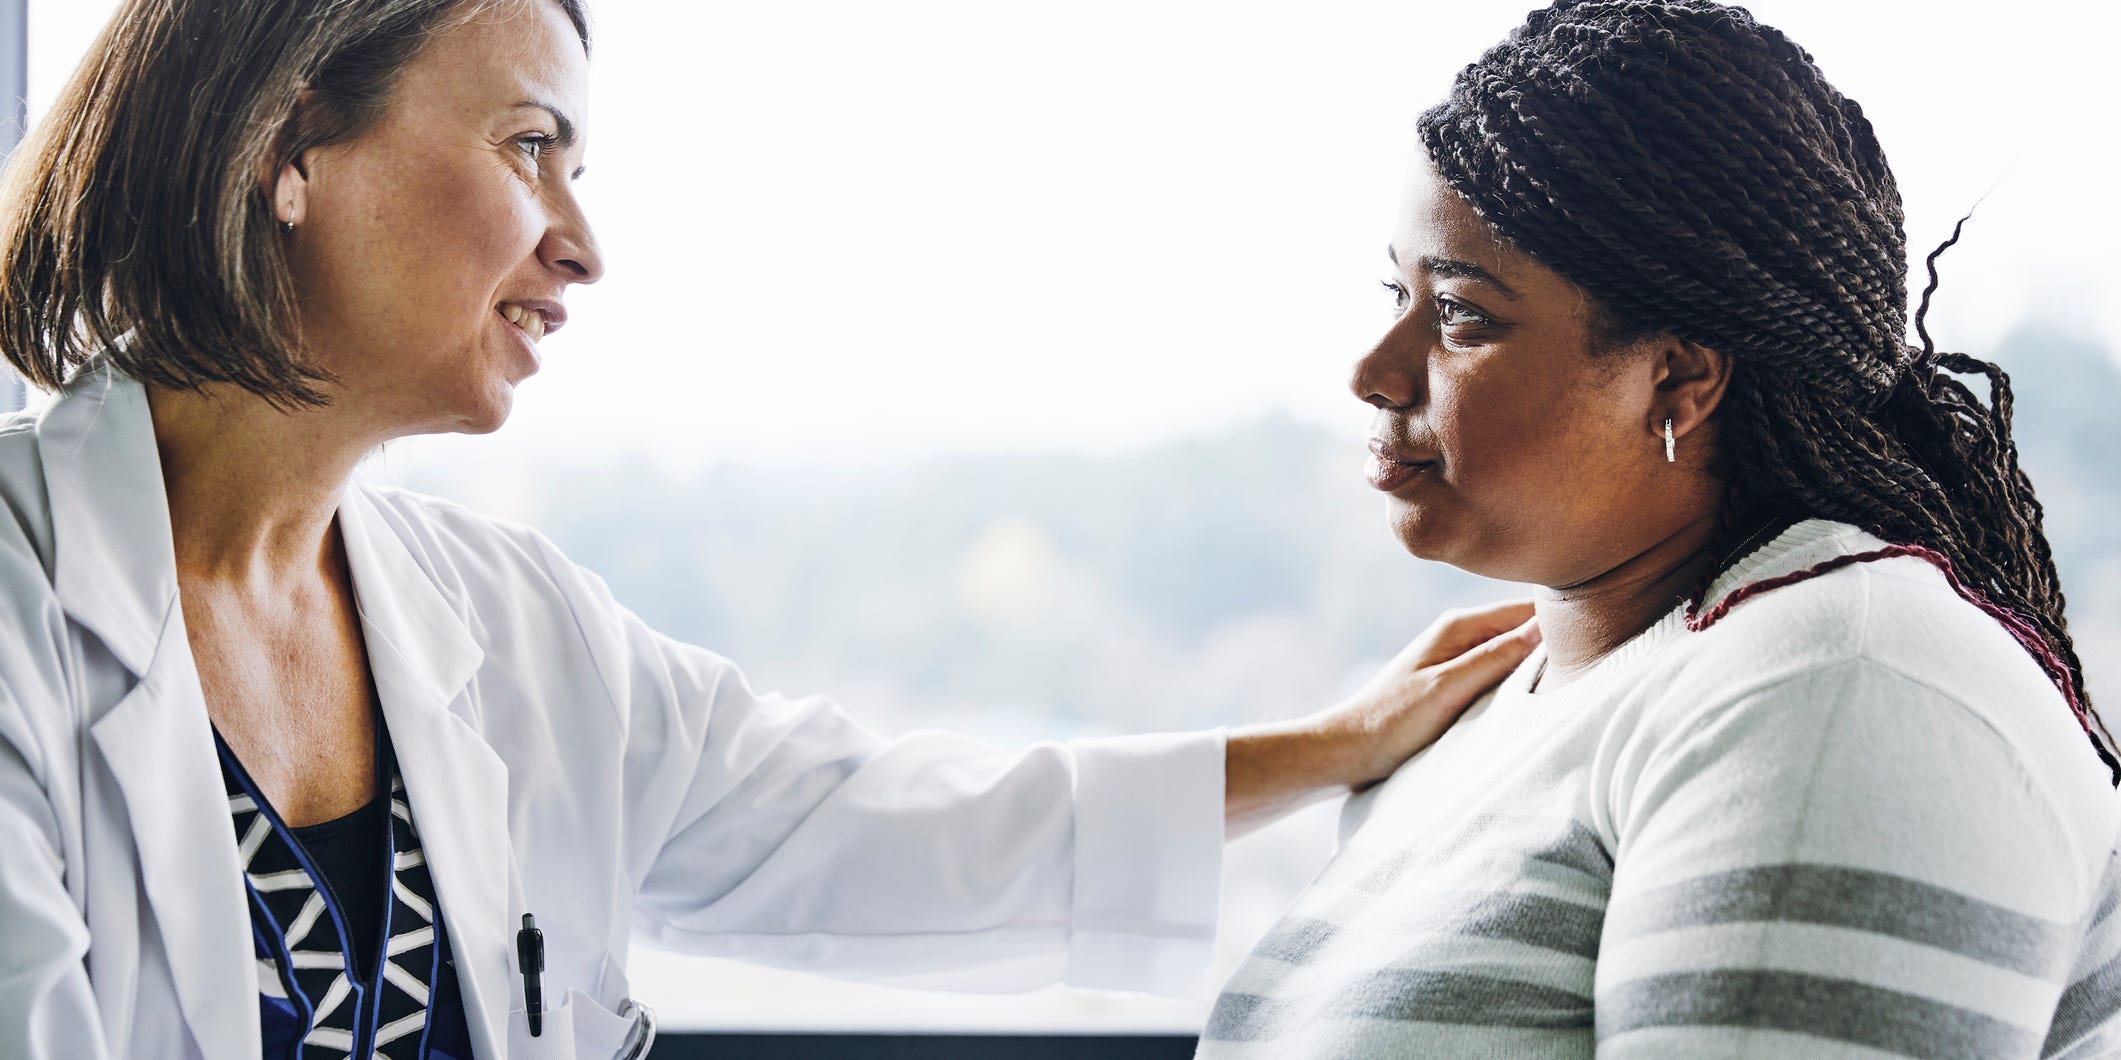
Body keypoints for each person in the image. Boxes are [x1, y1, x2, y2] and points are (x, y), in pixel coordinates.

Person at [0, 1, 1543, 1058]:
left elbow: (887, 829)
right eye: (530, 144)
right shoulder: (20, 599)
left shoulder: (505, 624)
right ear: (288, 143)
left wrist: (1337, 743)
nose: (583, 246)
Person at [1198, 2, 2121, 1057]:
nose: (1372, 371)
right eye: (1393, 291)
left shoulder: (1838, 690)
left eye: (1460, 314)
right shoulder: (1511, 707)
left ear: (1676, 378)